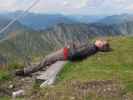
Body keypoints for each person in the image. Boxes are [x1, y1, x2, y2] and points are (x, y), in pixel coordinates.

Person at [15, 39, 111, 76]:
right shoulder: (92, 46)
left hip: (65, 53)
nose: (100, 40)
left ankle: (24, 71)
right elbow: (79, 50)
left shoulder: (91, 48)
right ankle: (29, 70)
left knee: (45, 60)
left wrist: (70, 46)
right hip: (65, 52)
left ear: (100, 46)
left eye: (101, 42)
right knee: (47, 60)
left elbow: (76, 54)